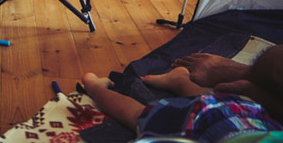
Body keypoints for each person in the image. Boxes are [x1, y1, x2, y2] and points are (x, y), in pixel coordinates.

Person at [81, 45, 283, 142]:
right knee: (139, 115)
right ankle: (95, 87)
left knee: (214, 104)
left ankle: (178, 80)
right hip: (231, 117)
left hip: (244, 113)